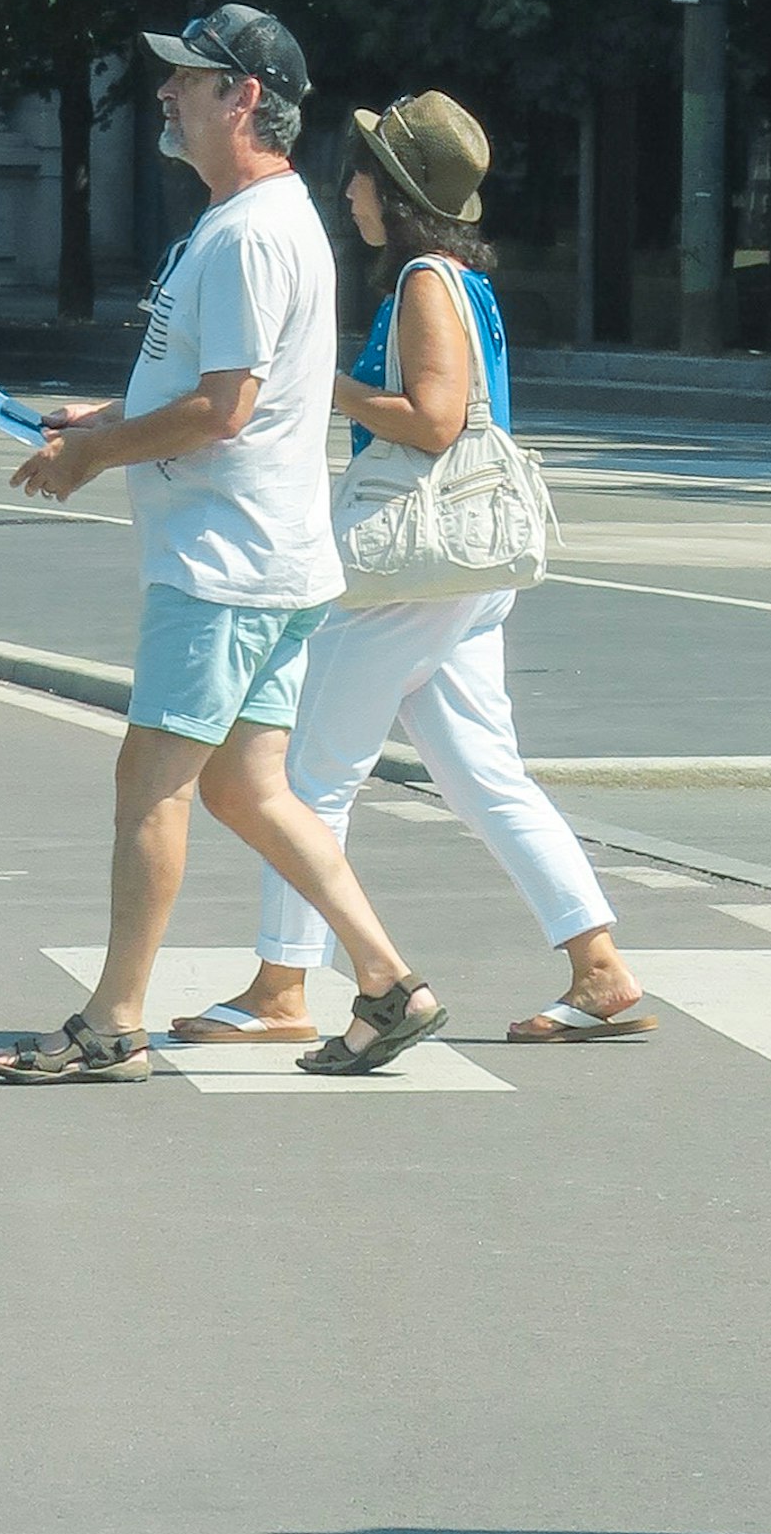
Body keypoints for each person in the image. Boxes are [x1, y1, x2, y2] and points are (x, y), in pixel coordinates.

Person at [0, 3, 446, 1083]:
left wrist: (94, 458)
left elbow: (225, 407)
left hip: (224, 566)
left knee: (152, 779)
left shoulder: (245, 232)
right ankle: (387, 983)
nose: (167, 94)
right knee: (250, 789)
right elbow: (225, 390)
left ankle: (113, 1022)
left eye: (189, 79)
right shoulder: (263, 220)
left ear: (244, 98)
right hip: (268, 558)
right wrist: (99, 421)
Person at [177, 92, 649, 1052]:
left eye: (362, 173)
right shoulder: (466, 281)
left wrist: (320, 386)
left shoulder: (426, 280)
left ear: (394, 193)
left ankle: (281, 986)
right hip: (465, 572)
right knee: (485, 776)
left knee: (307, 777)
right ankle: (599, 968)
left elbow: (433, 420)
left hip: (408, 571)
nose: (348, 189)